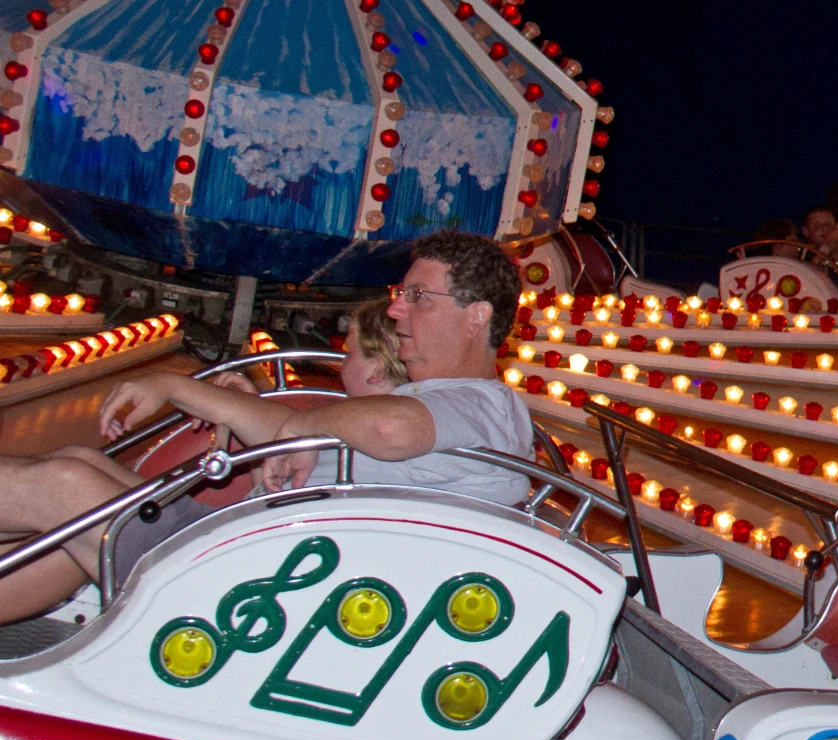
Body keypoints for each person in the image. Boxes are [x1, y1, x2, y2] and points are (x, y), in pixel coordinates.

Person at [0, 231, 533, 623]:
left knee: (66, 486)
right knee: (79, 465)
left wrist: (296, 433)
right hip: (262, 556)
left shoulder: (483, 404)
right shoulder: (433, 402)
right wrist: (177, 387)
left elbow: (390, 429)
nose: (396, 309)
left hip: (274, 586)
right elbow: (295, 425)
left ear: (476, 317)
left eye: (417, 297)